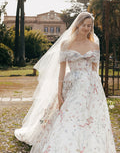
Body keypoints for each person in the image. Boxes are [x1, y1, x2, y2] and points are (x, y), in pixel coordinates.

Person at [14, 12, 116, 153]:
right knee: (68, 116)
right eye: (84, 25)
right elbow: (62, 71)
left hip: (92, 87)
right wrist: (59, 92)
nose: (87, 28)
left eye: (89, 26)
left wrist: (97, 92)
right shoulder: (66, 44)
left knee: (91, 118)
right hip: (72, 84)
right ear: (78, 24)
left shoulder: (94, 46)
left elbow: (94, 70)